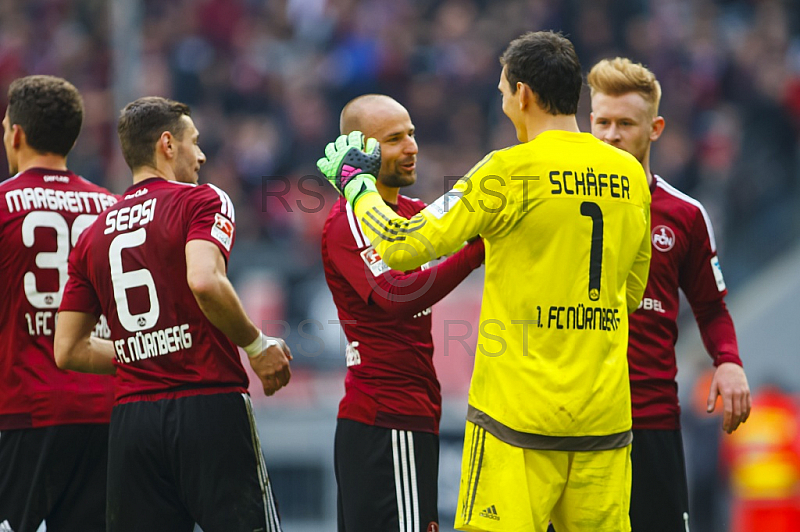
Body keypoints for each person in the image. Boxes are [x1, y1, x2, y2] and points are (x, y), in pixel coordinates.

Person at [318, 31, 652, 532]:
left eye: (501, 92)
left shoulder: (505, 172)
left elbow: (403, 245)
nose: (502, 103)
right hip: (603, 417)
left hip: (515, 421)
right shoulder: (628, 174)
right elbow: (630, 294)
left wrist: (359, 187)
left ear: (522, 94)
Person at [53, 96, 291, 531]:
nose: (201, 155)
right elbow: (204, 281)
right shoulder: (202, 201)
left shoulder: (93, 233)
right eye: (194, 142)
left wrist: (142, 354)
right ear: (167, 144)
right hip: (209, 405)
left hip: (132, 423)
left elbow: (68, 349)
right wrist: (256, 345)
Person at [587, 57, 751, 532]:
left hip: (650, 417)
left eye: (625, 123)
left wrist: (728, 360)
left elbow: (711, 306)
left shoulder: (685, 214)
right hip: (574, 417)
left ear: (655, 128)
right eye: (602, 122)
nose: (612, 135)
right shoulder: (561, 203)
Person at [323, 94, 485, 532]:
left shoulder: (412, 216)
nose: (412, 147)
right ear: (361, 150)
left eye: (411, 133)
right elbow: (395, 295)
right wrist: (473, 256)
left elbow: (464, 217)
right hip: (385, 420)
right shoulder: (349, 220)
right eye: (395, 139)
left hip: (410, 417)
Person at [0, 75, 117, 532]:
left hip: (23, 413)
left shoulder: (4, 206)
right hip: (105, 415)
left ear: (17, 134)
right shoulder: (111, 209)